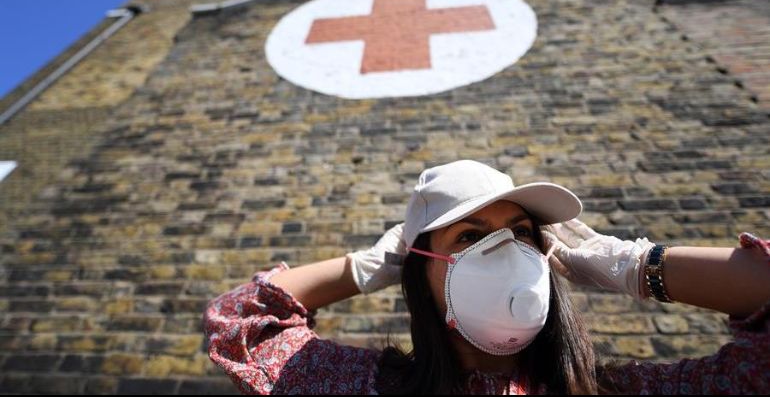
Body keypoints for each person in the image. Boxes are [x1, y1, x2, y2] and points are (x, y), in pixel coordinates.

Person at [203, 159, 770, 394]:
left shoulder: (611, 390)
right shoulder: (361, 385)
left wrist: (633, 267)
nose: (506, 252)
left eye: (522, 234)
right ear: (419, 269)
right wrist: (366, 266)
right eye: (470, 237)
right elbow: (240, 321)